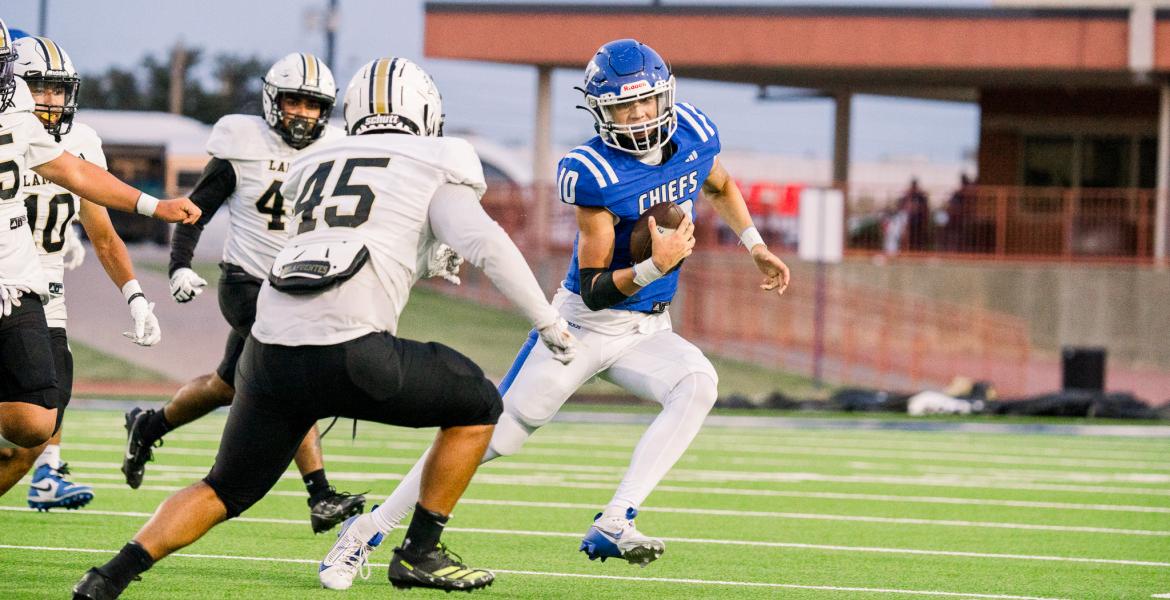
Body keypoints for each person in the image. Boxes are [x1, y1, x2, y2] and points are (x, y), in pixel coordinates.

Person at [71, 56, 578, 599]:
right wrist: (547, 320)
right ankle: (420, 550)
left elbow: (360, 227)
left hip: (268, 355)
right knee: (478, 403)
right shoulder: (438, 159)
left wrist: (429, 253)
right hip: (354, 352)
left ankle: (106, 578)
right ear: (426, 113)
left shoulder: (317, 163)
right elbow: (486, 243)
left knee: (223, 489)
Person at [317, 38, 790, 590]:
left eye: (644, 103)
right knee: (491, 438)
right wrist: (654, 268)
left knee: (697, 383)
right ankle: (365, 531)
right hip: (581, 327)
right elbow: (593, 290)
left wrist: (755, 244)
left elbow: (720, 184)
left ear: (665, 96)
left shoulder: (694, 132)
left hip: (647, 329)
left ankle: (616, 520)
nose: (637, 116)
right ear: (599, 110)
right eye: (622, 107)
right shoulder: (594, 171)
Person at [120, 52, 364, 533]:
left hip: (302, 283)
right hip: (248, 280)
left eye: (313, 105)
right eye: (293, 101)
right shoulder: (242, 141)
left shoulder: (336, 148)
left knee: (225, 385)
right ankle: (320, 495)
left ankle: (146, 427)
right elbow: (195, 209)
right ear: (273, 100)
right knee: (296, 371)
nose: (302, 113)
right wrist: (178, 266)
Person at [0, 18, 200, 456]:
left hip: (21, 280)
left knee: (36, 422)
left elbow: (73, 174)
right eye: (40, 87)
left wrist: (155, 208)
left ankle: (48, 473)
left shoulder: (30, 116)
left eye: (58, 89)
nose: (50, 100)